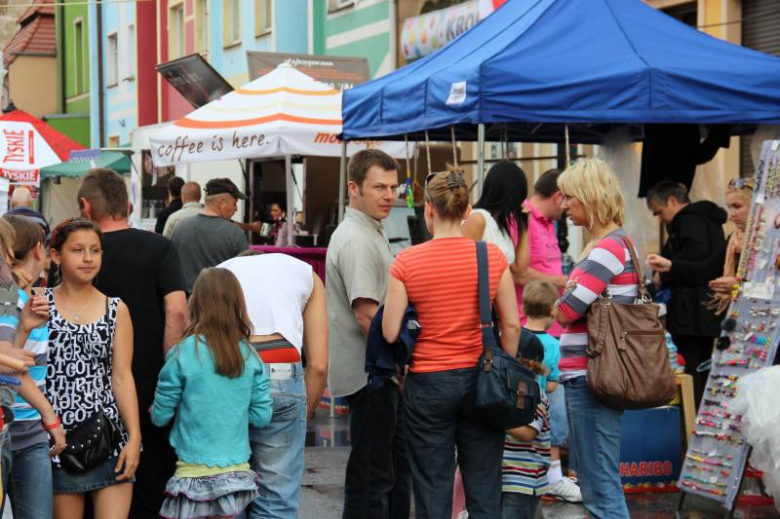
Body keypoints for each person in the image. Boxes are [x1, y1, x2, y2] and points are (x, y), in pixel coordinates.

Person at [382, 169, 521, 519]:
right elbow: (513, 325)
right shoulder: (491, 256)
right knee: (485, 486)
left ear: (428, 209)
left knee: (432, 487)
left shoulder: (406, 261)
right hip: (483, 377)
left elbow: (388, 332)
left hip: (428, 382)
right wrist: (505, 366)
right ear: (467, 210)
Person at [77, 168, 188, 518]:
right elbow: (178, 311)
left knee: (90, 486)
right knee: (153, 483)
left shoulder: (75, 256)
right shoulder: (160, 247)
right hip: (150, 386)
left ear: (85, 207)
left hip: (87, 392)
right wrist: (169, 371)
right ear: (127, 204)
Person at [326, 149, 410, 519]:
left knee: (379, 470)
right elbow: (368, 317)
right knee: (374, 475)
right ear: (353, 188)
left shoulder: (368, 230)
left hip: (374, 372)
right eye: (379, 187)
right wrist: (399, 366)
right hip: (372, 375)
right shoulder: (357, 239)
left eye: (393, 187)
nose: (389, 195)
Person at [151, 267, 272, 519]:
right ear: (237, 304)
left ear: (196, 303)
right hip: (236, 476)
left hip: (191, 474)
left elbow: (160, 417)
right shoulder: (250, 357)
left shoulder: (183, 353)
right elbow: (262, 417)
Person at [219, 251, 328, 519]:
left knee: (228, 497)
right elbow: (318, 366)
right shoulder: (306, 274)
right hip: (281, 367)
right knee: (276, 502)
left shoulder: (218, 271)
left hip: (230, 371)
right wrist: (301, 414)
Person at [553, 159, 634, 519]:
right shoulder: (609, 244)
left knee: (600, 486)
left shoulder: (606, 248)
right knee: (596, 481)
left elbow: (567, 310)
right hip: (589, 374)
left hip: (592, 374)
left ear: (590, 196)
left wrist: (564, 296)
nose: (564, 205)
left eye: (569, 197)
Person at [46, 218, 141, 518]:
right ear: (56, 255)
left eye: (95, 250)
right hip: (56, 441)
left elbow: (123, 376)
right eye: (77, 250)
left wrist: (135, 438)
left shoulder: (116, 308)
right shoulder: (39, 305)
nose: (88, 258)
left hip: (109, 436)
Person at [0, 217, 66, 518]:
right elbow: (10, 364)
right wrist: (49, 414)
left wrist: (24, 329)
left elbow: (12, 359)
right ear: (41, 249)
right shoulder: (8, 294)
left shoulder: (23, 298)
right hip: (18, 424)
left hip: (24, 431)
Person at [646, 180, 727, 406]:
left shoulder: (687, 220)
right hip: (709, 308)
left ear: (672, 201)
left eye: (659, 212)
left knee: (690, 367)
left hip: (690, 311)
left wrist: (668, 268)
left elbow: (697, 253)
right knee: (703, 365)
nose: (660, 219)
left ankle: (692, 417)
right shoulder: (708, 220)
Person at [648, 179, 753, 324]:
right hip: (741, 319)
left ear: (755, 206)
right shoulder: (733, 239)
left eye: (737, 206)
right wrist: (670, 266)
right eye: (729, 207)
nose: (732, 214)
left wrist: (739, 286)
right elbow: (708, 267)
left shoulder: (773, 239)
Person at [520, 279, 582, 502]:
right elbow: (552, 384)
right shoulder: (553, 345)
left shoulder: (514, 335)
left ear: (523, 308)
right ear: (552, 310)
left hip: (516, 405)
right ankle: (554, 477)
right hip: (541, 408)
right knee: (558, 398)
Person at [501, 338, 552, 519]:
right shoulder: (505, 390)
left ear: (530, 364)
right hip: (504, 475)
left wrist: (493, 421)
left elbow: (527, 432)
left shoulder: (534, 393)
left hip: (523, 478)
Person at [171, 178, 249, 293]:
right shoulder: (235, 233)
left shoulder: (180, 227)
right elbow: (246, 275)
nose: (236, 209)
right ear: (221, 201)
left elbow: (171, 269)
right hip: (222, 306)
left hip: (187, 305)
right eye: (235, 203)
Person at [462, 161, 529, 276]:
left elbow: (520, 270)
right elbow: (461, 263)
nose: (521, 202)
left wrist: (523, 225)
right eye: (520, 196)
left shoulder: (501, 227)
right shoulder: (479, 219)